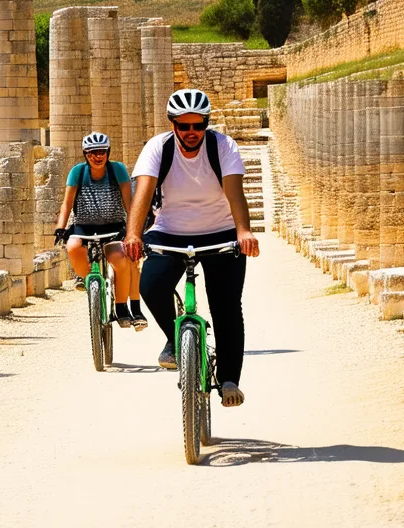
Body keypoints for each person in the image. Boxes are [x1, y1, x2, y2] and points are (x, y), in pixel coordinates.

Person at [123, 89, 261, 408]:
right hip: (170, 231)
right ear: (173, 125)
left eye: (197, 125)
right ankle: (174, 338)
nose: (191, 133)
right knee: (151, 285)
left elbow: (234, 191)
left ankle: (229, 379)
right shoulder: (158, 147)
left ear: (206, 124)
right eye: (183, 126)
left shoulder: (223, 146)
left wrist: (243, 231)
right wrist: (133, 234)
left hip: (221, 232)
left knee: (226, 306)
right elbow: (142, 191)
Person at [54, 132, 148, 330]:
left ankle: (121, 307)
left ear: (108, 153)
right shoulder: (77, 172)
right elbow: (67, 203)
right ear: (86, 155)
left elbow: (129, 204)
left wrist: (135, 230)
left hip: (113, 228)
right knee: (72, 246)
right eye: (92, 153)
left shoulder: (117, 170)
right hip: (84, 227)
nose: (97, 156)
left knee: (121, 259)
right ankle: (87, 277)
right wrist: (60, 228)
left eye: (101, 152)